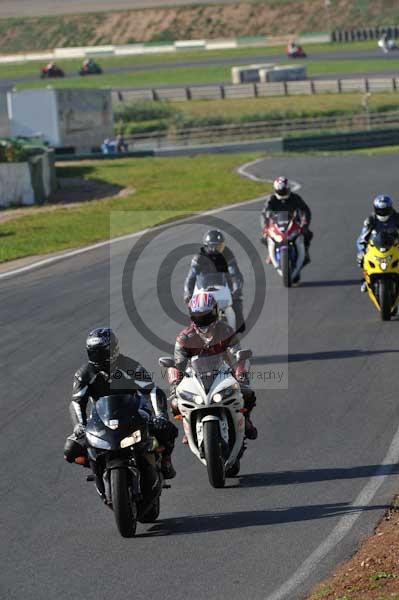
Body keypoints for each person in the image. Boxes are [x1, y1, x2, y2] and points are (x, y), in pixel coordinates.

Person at [64, 328, 178, 479]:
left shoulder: (131, 366)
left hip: (133, 414)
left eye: (101, 352)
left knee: (166, 429)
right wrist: (79, 425)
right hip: (101, 419)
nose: (97, 357)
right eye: (93, 352)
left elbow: (152, 390)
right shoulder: (84, 374)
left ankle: (165, 460)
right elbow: (77, 401)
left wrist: (160, 415)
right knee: (70, 449)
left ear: (113, 350)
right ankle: (96, 465)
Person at [168, 292, 257, 440]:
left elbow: (237, 354)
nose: (203, 320)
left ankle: (245, 418)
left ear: (215, 311)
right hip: (196, 377)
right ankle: (188, 426)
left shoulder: (226, 330)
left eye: (206, 315)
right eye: (199, 316)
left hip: (224, 373)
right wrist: (175, 386)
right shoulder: (184, 337)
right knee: (175, 404)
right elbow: (178, 364)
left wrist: (241, 374)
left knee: (247, 393)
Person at [184, 229, 245, 333]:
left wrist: (237, 288)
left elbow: (235, 273)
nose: (220, 249)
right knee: (194, 310)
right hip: (204, 290)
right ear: (209, 246)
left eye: (221, 245)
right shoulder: (199, 258)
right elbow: (191, 278)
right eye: (217, 246)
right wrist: (188, 293)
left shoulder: (227, 254)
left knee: (237, 304)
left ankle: (234, 335)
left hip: (224, 288)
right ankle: (195, 332)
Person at [261, 175, 313, 265]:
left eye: (284, 191)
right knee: (264, 237)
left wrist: (304, 223)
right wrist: (265, 227)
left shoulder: (295, 198)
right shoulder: (271, 199)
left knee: (307, 234)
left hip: (293, 222)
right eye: (280, 191)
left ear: (288, 188)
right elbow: (264, 213)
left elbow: (305, 210)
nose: (282, 193)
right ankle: (270, 253)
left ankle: (305, 252)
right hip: (277, 223)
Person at [356, 194, 399, 291]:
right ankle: (366, 280)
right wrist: (361, 251)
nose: (383, 214)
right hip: (376, 246)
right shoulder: (370, 220)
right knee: (362, 259)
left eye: (385, 211)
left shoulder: (397, 218)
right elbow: (361, 239)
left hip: (395, 245)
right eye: (380, 211)